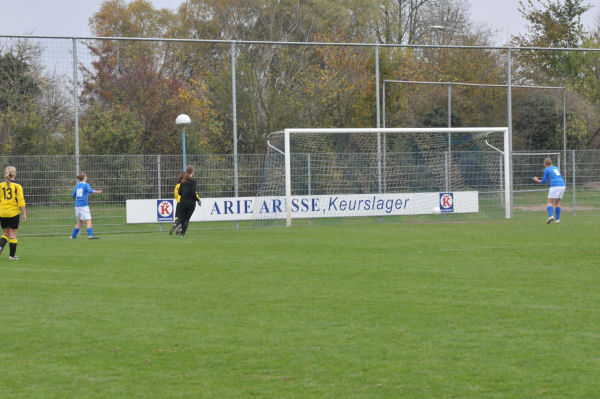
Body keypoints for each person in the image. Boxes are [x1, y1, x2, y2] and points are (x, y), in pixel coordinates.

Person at [0, 166, 27, 260]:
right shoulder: (17, 186)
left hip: (2, 212)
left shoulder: (1, 185)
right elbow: (21, 201)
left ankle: (0, 246)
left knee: (5, 233)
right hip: (13, 213)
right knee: (13, 235)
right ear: (14, 174)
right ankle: (12, 256)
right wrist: (24, 213)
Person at [70, 173, 103, 239]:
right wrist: (98, 192)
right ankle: (90, 235)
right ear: (84, 178)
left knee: (81, 222)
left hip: (77, 206)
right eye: (86, 176)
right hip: (83, 206)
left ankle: (72, 236)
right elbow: (89, 190)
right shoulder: (86, 185)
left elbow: (73, 196)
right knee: (88, 220)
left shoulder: (77, 186)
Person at [533, 157, 566, 224]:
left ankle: (551, 216)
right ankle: (557, 220)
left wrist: (537, 180)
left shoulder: (547, 169)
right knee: (557, 203)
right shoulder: (556, 168)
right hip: (562, 185)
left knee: (549, 202)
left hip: (555, 186)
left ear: (545, 164)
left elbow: (543, 181)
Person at [176, 165, 201, 238]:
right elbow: (193, 192)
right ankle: (182, 235)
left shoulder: (182, 181)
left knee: (181, 218)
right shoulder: (194, 181)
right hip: (191, 203)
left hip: (182, 202)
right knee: (187, 219)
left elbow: (179, 192)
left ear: (186, 172)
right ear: (192, 172)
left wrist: (184, 194)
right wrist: (197, 200)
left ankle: (178, 226)